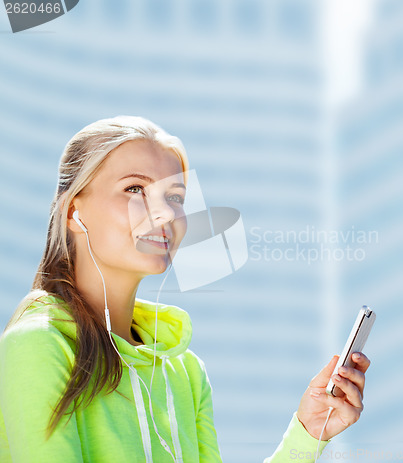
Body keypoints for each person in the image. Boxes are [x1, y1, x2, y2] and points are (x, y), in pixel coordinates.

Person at [0, 116, 371, 462]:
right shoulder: (38, 344)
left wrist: (308, 432)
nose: (164, 213)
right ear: (72, 211)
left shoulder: (185, 372)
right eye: (135, 189)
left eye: (175, 197)